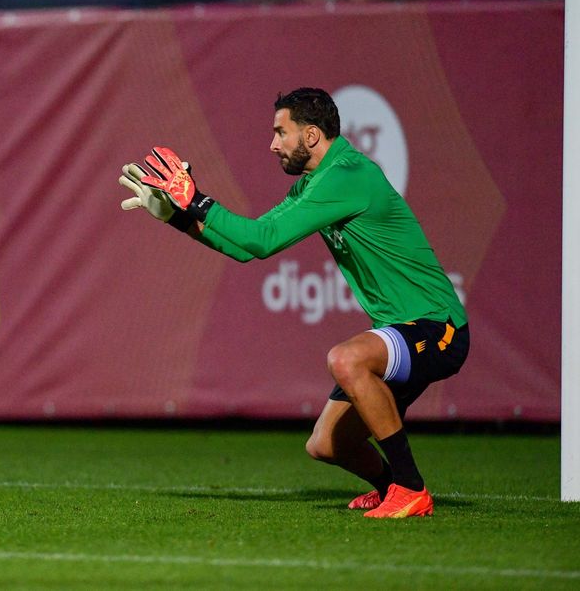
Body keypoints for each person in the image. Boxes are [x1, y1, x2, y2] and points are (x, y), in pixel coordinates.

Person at [119, 87, 468, 519]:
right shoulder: (313, 185)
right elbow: (248, 246)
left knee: (346, 359)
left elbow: (262, 241)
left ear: (312, 135)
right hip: (400, 328)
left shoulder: (348, 175)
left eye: (280, 132)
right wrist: (180, 218)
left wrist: (197, 200)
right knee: (325, 445)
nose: (272, 144)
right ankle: (390, 486)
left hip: (437, 325)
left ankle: (412, 490)